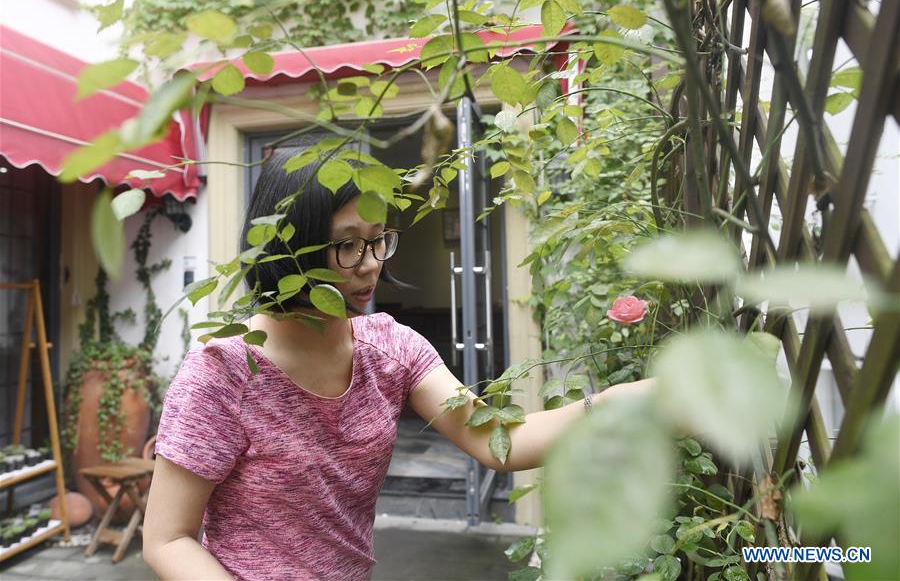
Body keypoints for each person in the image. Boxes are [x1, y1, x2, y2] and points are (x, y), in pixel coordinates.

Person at [142, 149, 655, 581]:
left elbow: (501, 440)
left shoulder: (390, 349)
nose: (370, 263)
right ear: (288, 248)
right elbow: (166, 539)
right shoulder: (223, 373)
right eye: (345, 245)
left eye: (378, 239)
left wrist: (619, 404)